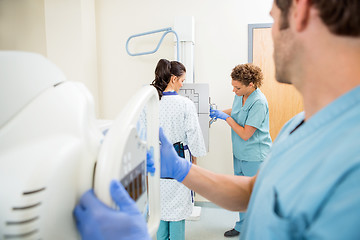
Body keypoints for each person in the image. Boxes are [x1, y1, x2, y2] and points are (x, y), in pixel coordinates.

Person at [74, 0, 360, 239]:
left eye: (273, 19)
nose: (272, 32)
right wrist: (182, 169)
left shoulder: (350, 161)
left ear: (301, 12)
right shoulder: (297, 127)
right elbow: (252, 191)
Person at [210, 63, 272, 237]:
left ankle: (260, 230)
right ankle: (242, 226)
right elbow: (237, 111)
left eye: (237, 87)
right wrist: (218, 112)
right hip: (239, 154)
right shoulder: (240, 95)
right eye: (233, 86)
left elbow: (246, 134)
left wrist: (226, 119)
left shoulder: (259, 102)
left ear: (250, 84)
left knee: (256, 196)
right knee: (241, 194)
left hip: (255, 156)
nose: (233, 90)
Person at [151, 59, 206, 240]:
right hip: (178, 161)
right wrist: (196, 160)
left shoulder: (150, 102)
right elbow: (194, 136)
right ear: (173, 79)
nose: (182, 84)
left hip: (156, 164)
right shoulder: (185, 104)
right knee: (176, 210)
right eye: (182, 80)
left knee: (159, 209)